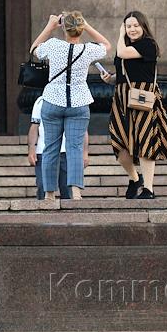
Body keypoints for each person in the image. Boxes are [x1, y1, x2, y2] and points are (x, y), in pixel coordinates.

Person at [29, 11, 112, 201]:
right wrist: (86, 25)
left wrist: (50, 26)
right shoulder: (88, 50)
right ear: (80, 29)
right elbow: (107, 45)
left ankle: (49, 193)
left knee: (50, 147)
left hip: (52, 101)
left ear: (64, 30)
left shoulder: (53, 45)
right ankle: (75, 192)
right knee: (74, 147)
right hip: (79, 103)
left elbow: (34, 49)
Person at [100, 11, 167, 200]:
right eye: (128, 26)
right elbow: (126, 72)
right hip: (122, 99)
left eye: (135, 25)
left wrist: (120, 34)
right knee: (119, 144)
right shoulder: (125, 46)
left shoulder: (148, 44)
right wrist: (111, 79)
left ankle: (148, 189)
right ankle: (135, 178)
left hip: (143, 97)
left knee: (145, 141)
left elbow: (123, 54)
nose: (132, 29)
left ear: (143, 26)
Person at [26, 95, 88, 200]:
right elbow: (34, 125)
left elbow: (82, 130)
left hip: (68, 153)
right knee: (42, 186)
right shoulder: (41, 101)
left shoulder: (76, 98)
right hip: (44, 151)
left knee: (67, 189)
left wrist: (85, 153)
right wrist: (32, 149)